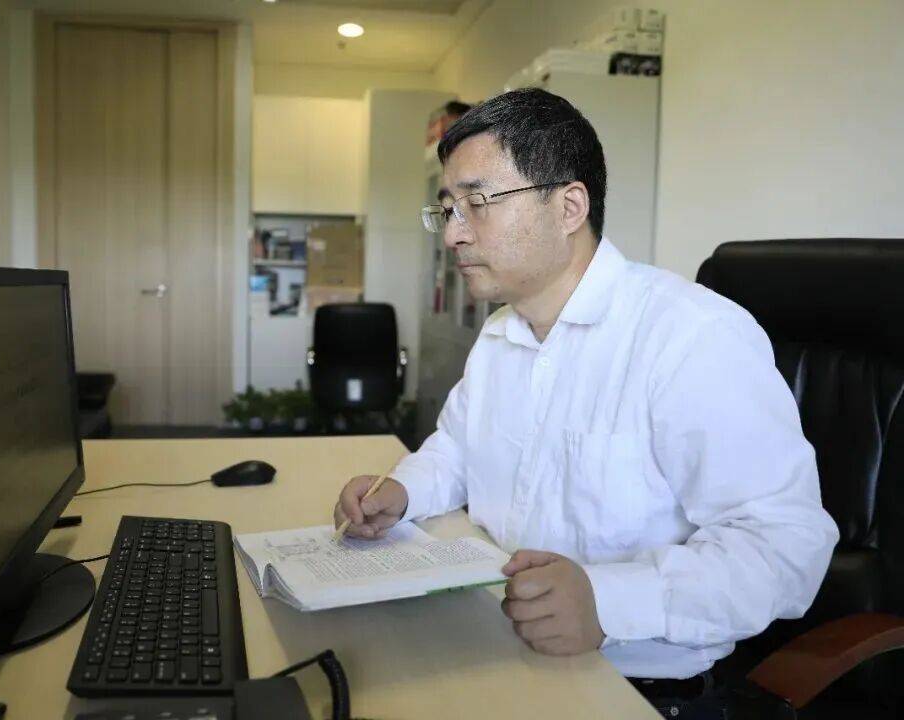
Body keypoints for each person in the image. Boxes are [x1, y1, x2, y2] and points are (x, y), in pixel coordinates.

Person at [332, 89, 838, 718]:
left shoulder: (691, 337)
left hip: (635, 686)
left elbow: (785, 548)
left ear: (569, 206)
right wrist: (401, 491)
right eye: (448, 209)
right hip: (496, 642)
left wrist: (607, 601)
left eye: (477, 203)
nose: (454, 234)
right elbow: (459, 449)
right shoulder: (501, 333)